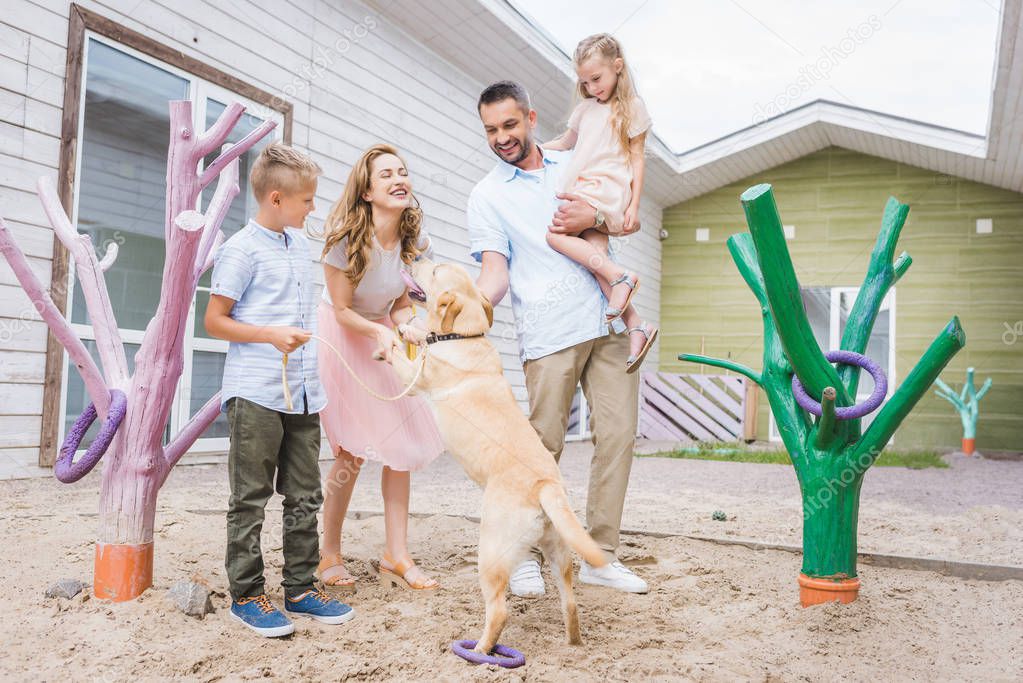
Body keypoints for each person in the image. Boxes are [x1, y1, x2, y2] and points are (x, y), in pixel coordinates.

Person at [468, 80, 649, 596]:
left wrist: (595, 216)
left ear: (530, 116)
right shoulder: (487, 195)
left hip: (606, 320)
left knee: (616, 437)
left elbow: (621, 219)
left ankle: (600, 556)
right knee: (539, 450)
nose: (502, 137)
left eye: (509, 124)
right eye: (491, 130)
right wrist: (468, 309)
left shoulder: (574, 163)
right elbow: (495, 273)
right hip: (549, 334)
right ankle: (521, 553)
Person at [206, 142, 353, 637]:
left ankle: (301, 586)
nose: (312, 207)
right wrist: (269, 334)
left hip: (303, 391)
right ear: (275, 198)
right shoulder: (240, 250)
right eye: (306, 200)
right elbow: (215, 321)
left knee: (305, 492)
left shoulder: (298, 246)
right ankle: (246, 595)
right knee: (250, 497)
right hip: (256, 393)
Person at [316, 144, 445, 592]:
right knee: (350, 452)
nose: (398, 179)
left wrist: (408, 326)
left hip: (380, 337)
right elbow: (342, 309)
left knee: (400, 447)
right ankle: (328, 552)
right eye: (386, 173)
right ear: (367, 191)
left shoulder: (413, 240)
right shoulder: (345, 240)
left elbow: (401, 303)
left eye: (403, 172)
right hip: (343, 335)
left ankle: (396, 553)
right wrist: (382, 333)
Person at [543, 33, 658, 371]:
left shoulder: (632, 107)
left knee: (554, 236)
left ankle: (622, 277)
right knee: (597, 265)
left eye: (597, 78)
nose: (592, 87)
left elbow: (638, 157)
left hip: (604, 189)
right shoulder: (584, 110)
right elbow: (565, 142)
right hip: (585, 187)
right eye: (585, 81)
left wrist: (633, 207)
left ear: (617, 67)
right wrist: (533, 151)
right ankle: (637, 325)